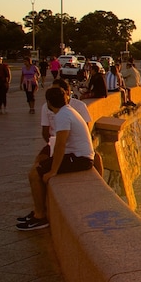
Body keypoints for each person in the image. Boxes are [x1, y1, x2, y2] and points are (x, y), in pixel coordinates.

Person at [16, 87, 95, 231]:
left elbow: (60, 144)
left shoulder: (63, 115)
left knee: (34, 174)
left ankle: (40, 217)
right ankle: (38, 211)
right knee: (37, 168)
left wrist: (53, 171)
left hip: (80, 159)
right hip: (78, 156)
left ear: (49, 103)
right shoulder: (67, 111)